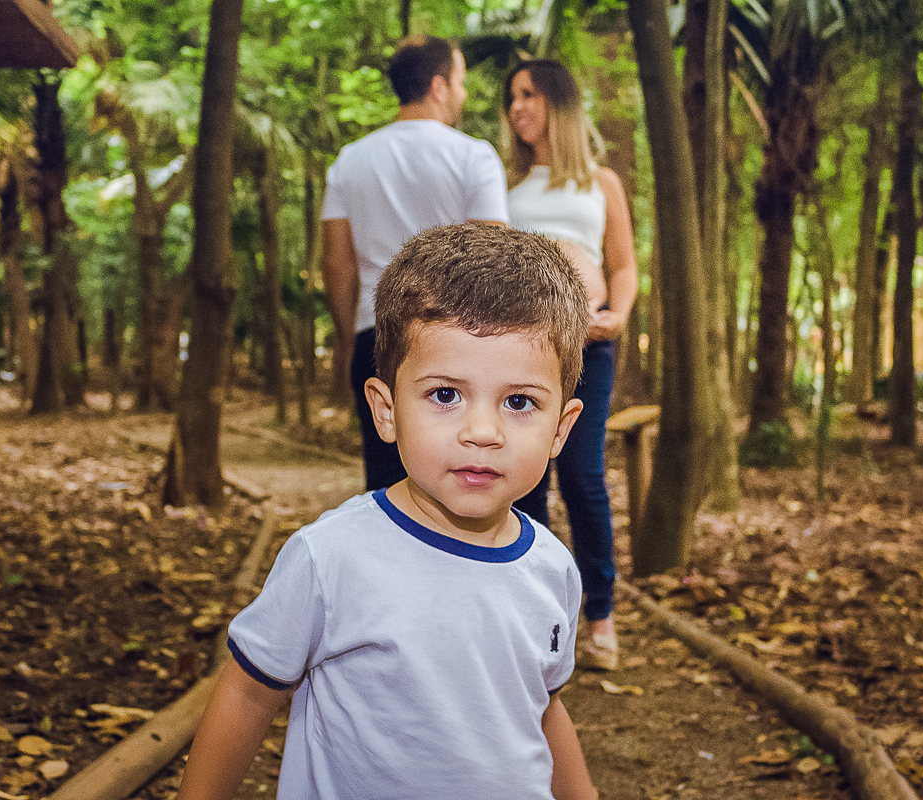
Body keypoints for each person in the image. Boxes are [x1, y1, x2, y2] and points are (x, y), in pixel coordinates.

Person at [177, 224, 599, 800]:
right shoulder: (330, 558)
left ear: (561, 428)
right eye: (445, 395)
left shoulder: (553, 568)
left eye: (519, 402)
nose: (482, 432)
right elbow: (248, 695)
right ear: (386, 410)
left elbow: (543, 710)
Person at [321, 35, 509, 491]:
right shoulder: (473, 156)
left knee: (386, 485)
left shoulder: (349, 162)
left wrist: (351, 340)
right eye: (460, 82)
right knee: (457, 479)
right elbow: (493, 256)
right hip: (455, 338)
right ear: (439, 86)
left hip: (377, 335)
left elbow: (337, 266)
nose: (463, 95)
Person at [504, 60, 639, 672]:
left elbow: (624, 264)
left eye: (529, 94)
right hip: (524, 349)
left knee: (582, 476)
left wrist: (619, 312)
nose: (517, 107)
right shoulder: (505, 187)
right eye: (512, 97)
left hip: (589, 344)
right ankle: (537, 618)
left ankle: (602, 615)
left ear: (559, 102)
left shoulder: (601, 182)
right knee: (529, 477)